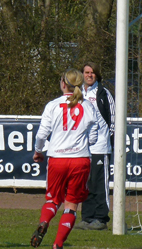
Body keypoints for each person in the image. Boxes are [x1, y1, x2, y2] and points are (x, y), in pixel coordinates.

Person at [30, 68, 98, 249]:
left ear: (63, 84)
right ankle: (58, 244)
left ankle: (44, 222)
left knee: (53, 200)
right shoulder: (88, 106)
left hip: (57, 159)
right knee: (72, 204)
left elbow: (42, 134)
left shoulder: (53, 105)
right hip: (80, 160)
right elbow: (93, 138)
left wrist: (38, 151)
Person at [74, 62, 115, 231]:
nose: (89, 75)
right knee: (85, 184)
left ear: (97, 75)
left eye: (92, 73)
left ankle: (101, 219)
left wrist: (108, 140)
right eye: (86, 72)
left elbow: (114, 119)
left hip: (100, 147)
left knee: (100, 184)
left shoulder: (104, 94)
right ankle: (87, 217)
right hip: (82, 148)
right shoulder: (77, 93)